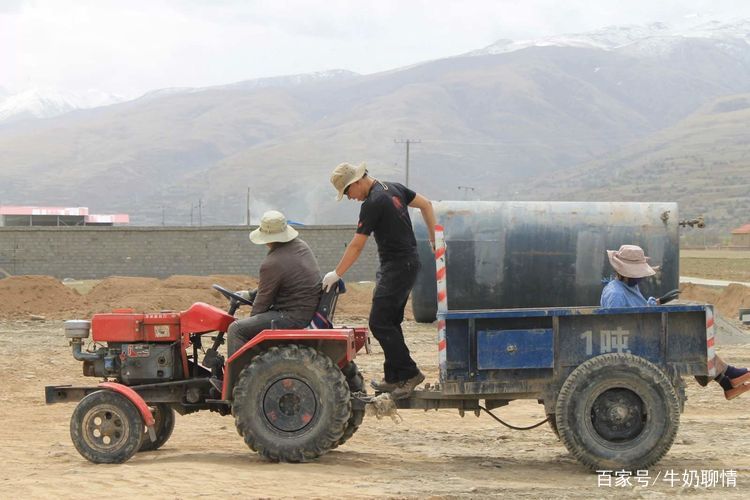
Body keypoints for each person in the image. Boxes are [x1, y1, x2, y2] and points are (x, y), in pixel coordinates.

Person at [323, 162, 436, 400]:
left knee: (379, 322)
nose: (350, 198)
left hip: (397, 266)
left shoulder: (373, 203)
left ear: (356, 182)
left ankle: (409, 373)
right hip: (407, 263)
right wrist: (434, 238)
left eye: (347, 193)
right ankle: (394, 377)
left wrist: (337, 273)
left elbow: (357, 245)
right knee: (390, 320)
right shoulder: (394, 188)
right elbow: (426, 205)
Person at [602, 244, 750, 400]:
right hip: (634, 342)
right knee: (689, 342)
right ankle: (729, 377)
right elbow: (619, 326)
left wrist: (656, 302)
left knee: (691, 340)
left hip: (642, 335)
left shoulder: (628, 286)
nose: (641, 277)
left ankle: (727, 382)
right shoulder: (616, 294)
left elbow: (638, 309)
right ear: (623, 272)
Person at [227, 210, 322, 356]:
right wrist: (248, 295)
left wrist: (252, 324)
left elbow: (262, 304)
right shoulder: (300, 246)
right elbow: (278, 284)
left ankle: (239, 378)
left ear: (267, 238)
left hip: (292, 316)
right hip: (305, 310)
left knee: (237, 329)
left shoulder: (273, 262)